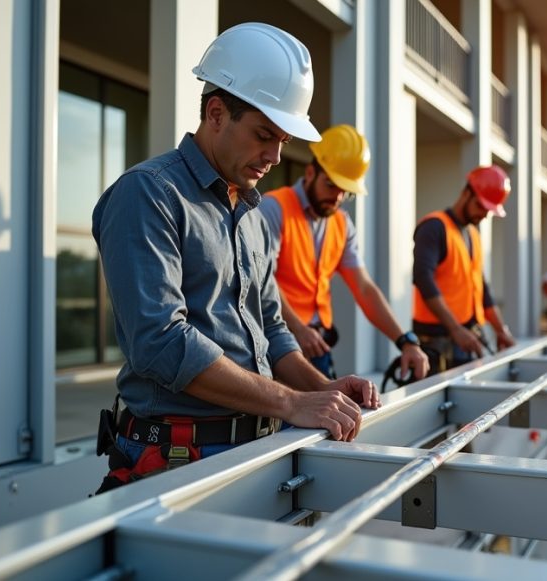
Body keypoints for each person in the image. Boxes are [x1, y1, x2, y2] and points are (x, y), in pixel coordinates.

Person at [91, 23, 379, 494]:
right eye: (264, 135)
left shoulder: (251, 214)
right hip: (178, 465)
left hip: (258, 451)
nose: (273, 155)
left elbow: (272, 331)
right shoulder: (149, 194)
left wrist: (319, 390)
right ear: (217, 113)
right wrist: (291, 403)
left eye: (283, 141)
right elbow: (161, 342)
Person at [258, 124, 430, 382]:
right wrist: (298, 328)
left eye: (345, 191)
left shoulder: (342, 224)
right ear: (310, 172)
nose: (337, 197)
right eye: (331, 185)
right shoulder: (274, 208)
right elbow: (262, 278)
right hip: (275, 346)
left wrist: (405, 341)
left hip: (318, 347)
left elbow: (364, 288)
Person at [412, 165, 517, 375]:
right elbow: (423, 279)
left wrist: (500, 330)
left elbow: (481, 289)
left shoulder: (473, 235)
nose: (484, 214)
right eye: (481, 206)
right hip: (437, 342)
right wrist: (455, 329)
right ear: (466, 192)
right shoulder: (434, 228)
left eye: (488, 210)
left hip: (466, 338)